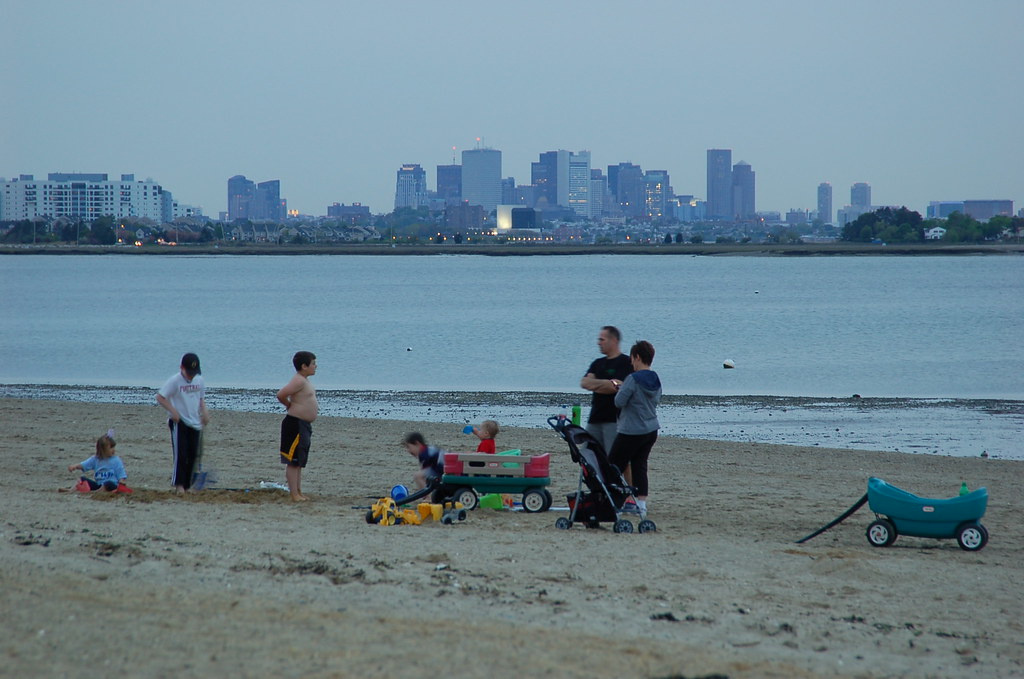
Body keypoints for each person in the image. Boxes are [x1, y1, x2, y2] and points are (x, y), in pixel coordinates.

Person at [608, 340, 661, 514]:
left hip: (631, 430)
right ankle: (641, 505)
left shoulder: (632, 378)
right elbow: (652, 399)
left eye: (632, 359)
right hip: (651, 429)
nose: (631, 363)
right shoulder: (655, 378)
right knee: (640, 466)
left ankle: (614, 501)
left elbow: (619, 402)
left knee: (614, 465)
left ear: (637, 357)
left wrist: (621, 389)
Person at [156, 353, 209, 494]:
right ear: (181, 368)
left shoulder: (199, 380)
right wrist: (173, 412)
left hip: (195, 422)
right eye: (188, 372)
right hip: (179, 422)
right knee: (181, 454)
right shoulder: (175, 381)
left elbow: (200, 399)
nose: (191, 376)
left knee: (193, 454)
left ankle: (187, 485)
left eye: (193, 373)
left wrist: (204, 413)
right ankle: (179, 485)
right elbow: (160, 397)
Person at [579, 326, 634, 454]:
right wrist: (607, 383)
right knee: (587, 456)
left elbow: (617, 387)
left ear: (613, 340)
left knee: (612, 459)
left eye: (602, 339)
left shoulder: (625, 362)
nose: (599, 342)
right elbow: (584, 383)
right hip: (594, 419)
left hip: (614, 420)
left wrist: (598, 384)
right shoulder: (597, 363)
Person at [276, 351, 318, 502]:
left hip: (303, 425)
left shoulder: (304, 380)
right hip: (295, 424)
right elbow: (281, 394)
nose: (316, 366)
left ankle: (298, 491)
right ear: (304, 366)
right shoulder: (298, 380)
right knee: (293, 462)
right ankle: (294, 494)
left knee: (299, 461)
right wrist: (289, 405)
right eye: (313, 363)